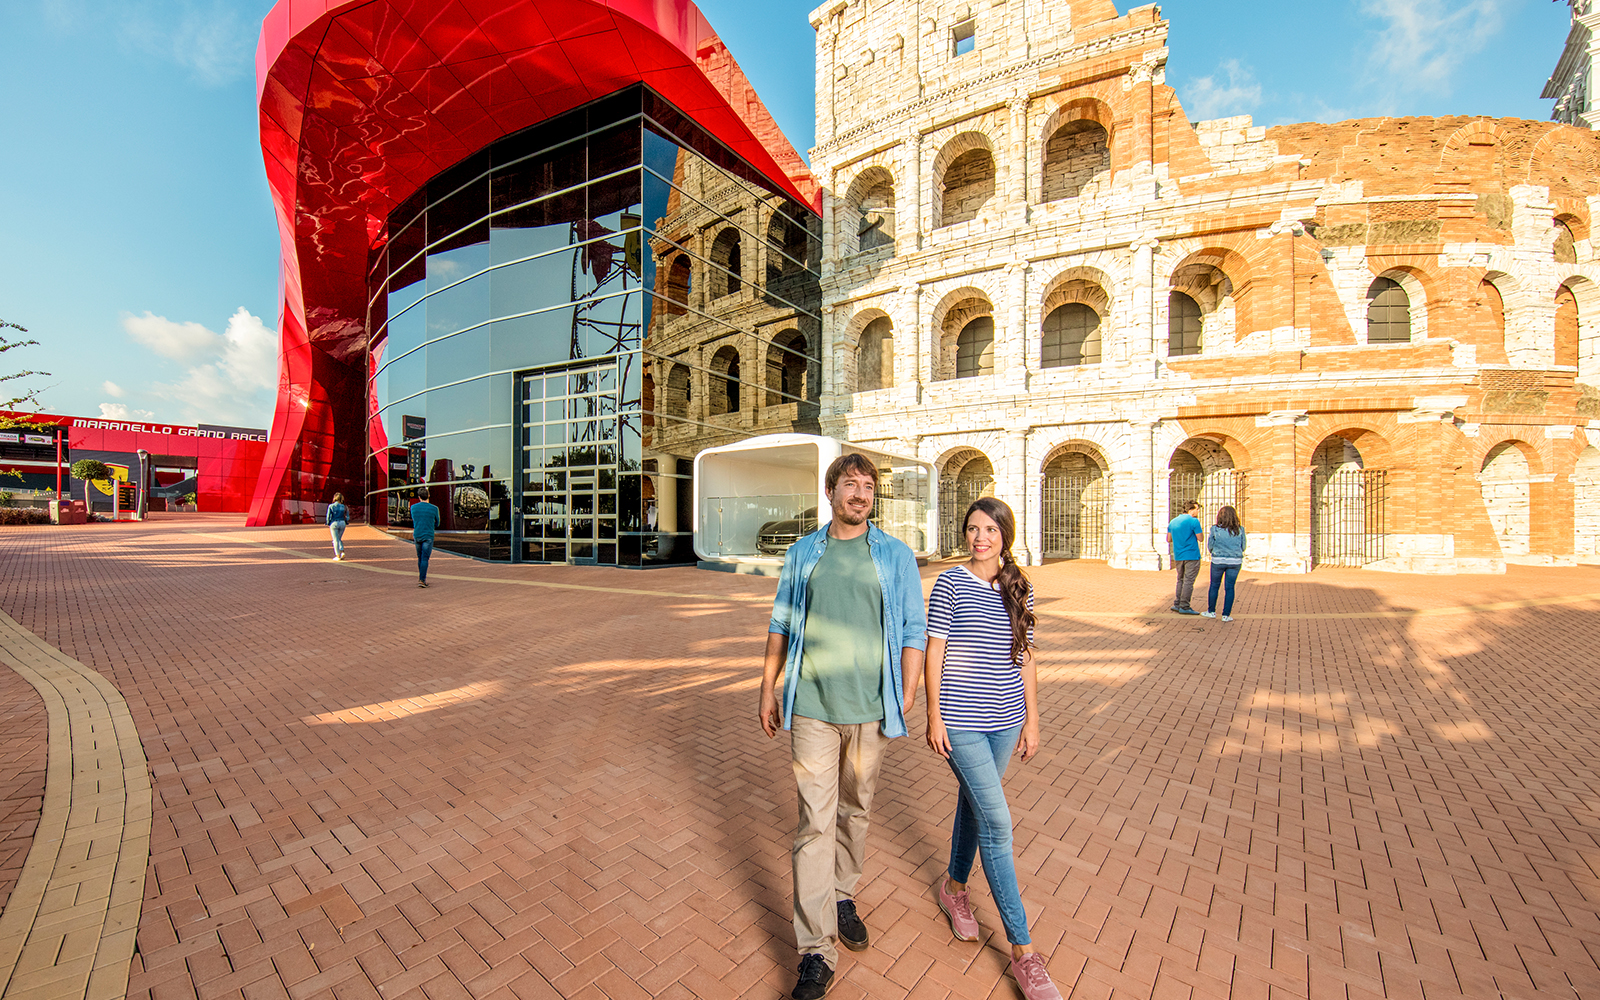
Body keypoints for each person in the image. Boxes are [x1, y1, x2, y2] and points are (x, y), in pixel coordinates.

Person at [758, 453, 927, 1000]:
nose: (860, 494)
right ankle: (815, 951)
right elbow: (782, 620)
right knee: (815, 821)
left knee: (856, 809)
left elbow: (913, 627)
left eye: (868, 486)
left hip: (871, 707)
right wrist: (767, 686)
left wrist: (908, 690)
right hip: (812, 705)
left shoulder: (895, 555)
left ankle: (842, 894)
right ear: (830, 491)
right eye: (850, 484)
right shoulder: (803, 552)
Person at [924, 498, 1061, 1000]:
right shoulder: (950, 582)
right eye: (972, 529)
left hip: (1006, 721)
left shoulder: (1018, 585)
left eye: (989, 529)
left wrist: (1032, 720)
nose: (979, 538)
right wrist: (934, 715)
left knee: (975, 806)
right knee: (998, 825)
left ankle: (954, 889)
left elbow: (1025, 655)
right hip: (960, 721)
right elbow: (935, 649)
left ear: (1005, 535)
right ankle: (1024, 953)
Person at [1201, 505, 1246, 622]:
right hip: (1235, 561)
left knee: (1214, 585)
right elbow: (1243, 546)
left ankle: (1211, 611)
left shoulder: (1215, 529)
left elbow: (1210, 545)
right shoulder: (1240, 530)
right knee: (1230, 587)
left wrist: (1215, 551)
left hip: (1218, 560)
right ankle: (1226, 615)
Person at [1167, 500, 1203, 615]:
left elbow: (1168, 539)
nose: (1198, 511)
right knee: (1188, 581)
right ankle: (1185, 606)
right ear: (1191, 510)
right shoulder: (1194, 521)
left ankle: (1177, 603)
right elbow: (1200, 538)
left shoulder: (1173, 521)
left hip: (1178, 555)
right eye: (1197, 509)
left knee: (1180, 579)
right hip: (1191, 554)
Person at [409, 493, 440, 588]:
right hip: (428, 535)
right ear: (429, 496)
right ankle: (422, 579)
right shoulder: (434, 508)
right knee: (425, 558)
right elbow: (438, 522)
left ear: (419, 497)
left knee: (420, 557)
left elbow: (414, 520)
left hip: (417, 534)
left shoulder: (413, 507)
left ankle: (421, 577)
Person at [326, 492, 349, 561]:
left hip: (334, 522)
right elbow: (347, 517)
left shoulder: (331, 506)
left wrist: (328, 523)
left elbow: (328, 516)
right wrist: (346, 522)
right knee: (339, 538)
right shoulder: (344, 506)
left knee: (335, 540)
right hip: (342, 523)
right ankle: (342, 551)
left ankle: (337, 555)